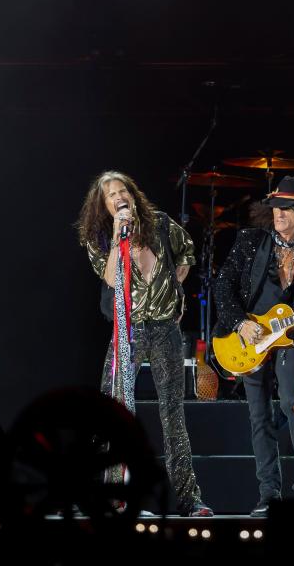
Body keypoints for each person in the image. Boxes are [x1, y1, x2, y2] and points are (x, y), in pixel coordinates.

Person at [77, 171, 212, 517]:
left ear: (134, 196)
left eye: (123, 192)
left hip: (166, 329)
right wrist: (117, 237)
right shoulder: (99, 237)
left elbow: (187, 253)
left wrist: (176, 289)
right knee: (116, 409)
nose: (119, 197)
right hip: (128, 330)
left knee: (173, 414)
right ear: (104, 206)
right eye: (111, 195)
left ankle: (189, 499)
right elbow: (109, 278)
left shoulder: (162, 225)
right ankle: (115, 496)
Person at [213, 176, 294, 517]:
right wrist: (240, 323)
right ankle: (269, 496)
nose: (279, 213)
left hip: (287, 340)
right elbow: (224, 286)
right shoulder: (251, 241)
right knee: (259, 416)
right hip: (249, 338)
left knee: (293, 402)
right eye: (276, 206)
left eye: (287, 207)